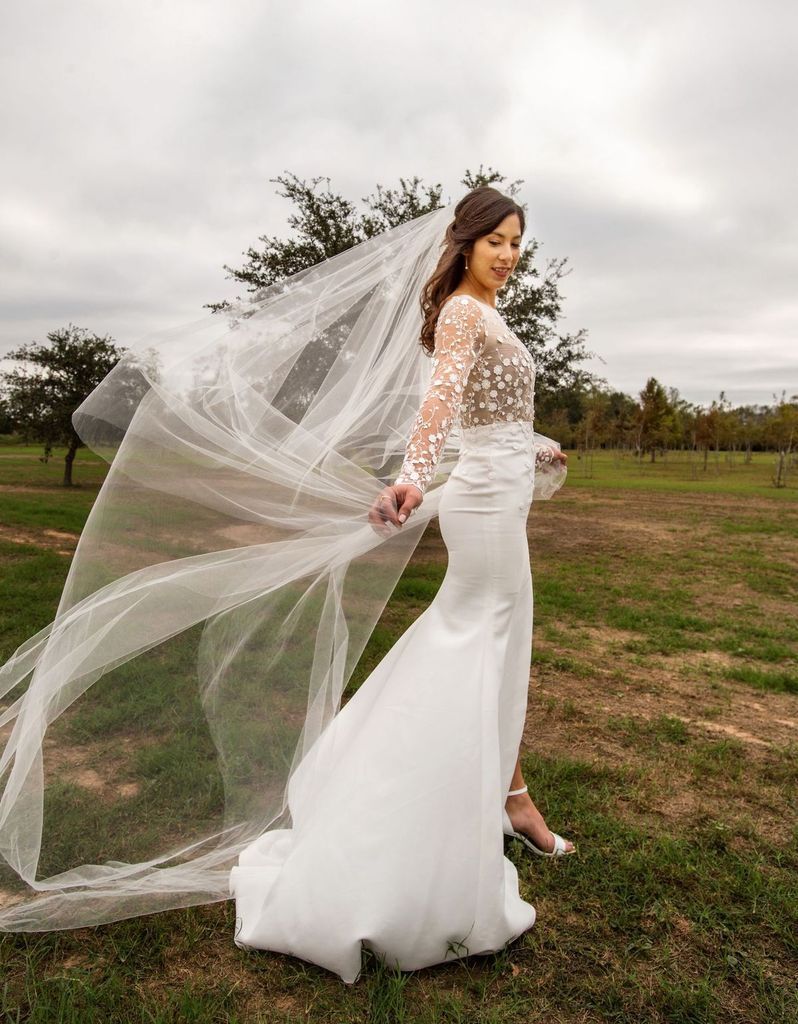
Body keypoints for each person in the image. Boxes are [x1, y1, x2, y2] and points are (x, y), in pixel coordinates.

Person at [229, 187, 575, 983]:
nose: (509, 253)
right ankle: (449, 820)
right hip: (483, 510)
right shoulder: (462, 311)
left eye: (518, 241)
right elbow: (440, 404)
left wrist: (537, 448)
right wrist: (414, 478)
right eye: (495, 240)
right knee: (470, 649)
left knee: (494, 648)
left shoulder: (487, 313)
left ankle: (511, 797)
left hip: (498, 493)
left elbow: (491, 423)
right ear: (464, 242)